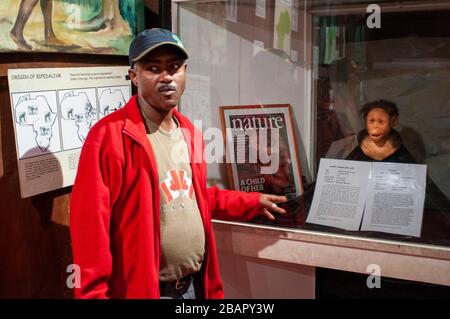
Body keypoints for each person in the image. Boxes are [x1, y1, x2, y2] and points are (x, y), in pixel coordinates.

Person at [69, 28, 287, 299]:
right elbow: (90, 229)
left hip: (193, 288)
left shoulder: (189, 132)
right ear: (134, 76)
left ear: (185, 72)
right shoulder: (109, 137)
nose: (167, 77)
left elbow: (192, 196)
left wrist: (249, 203)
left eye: (174, 67)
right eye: (153, 68)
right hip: (147, 291)